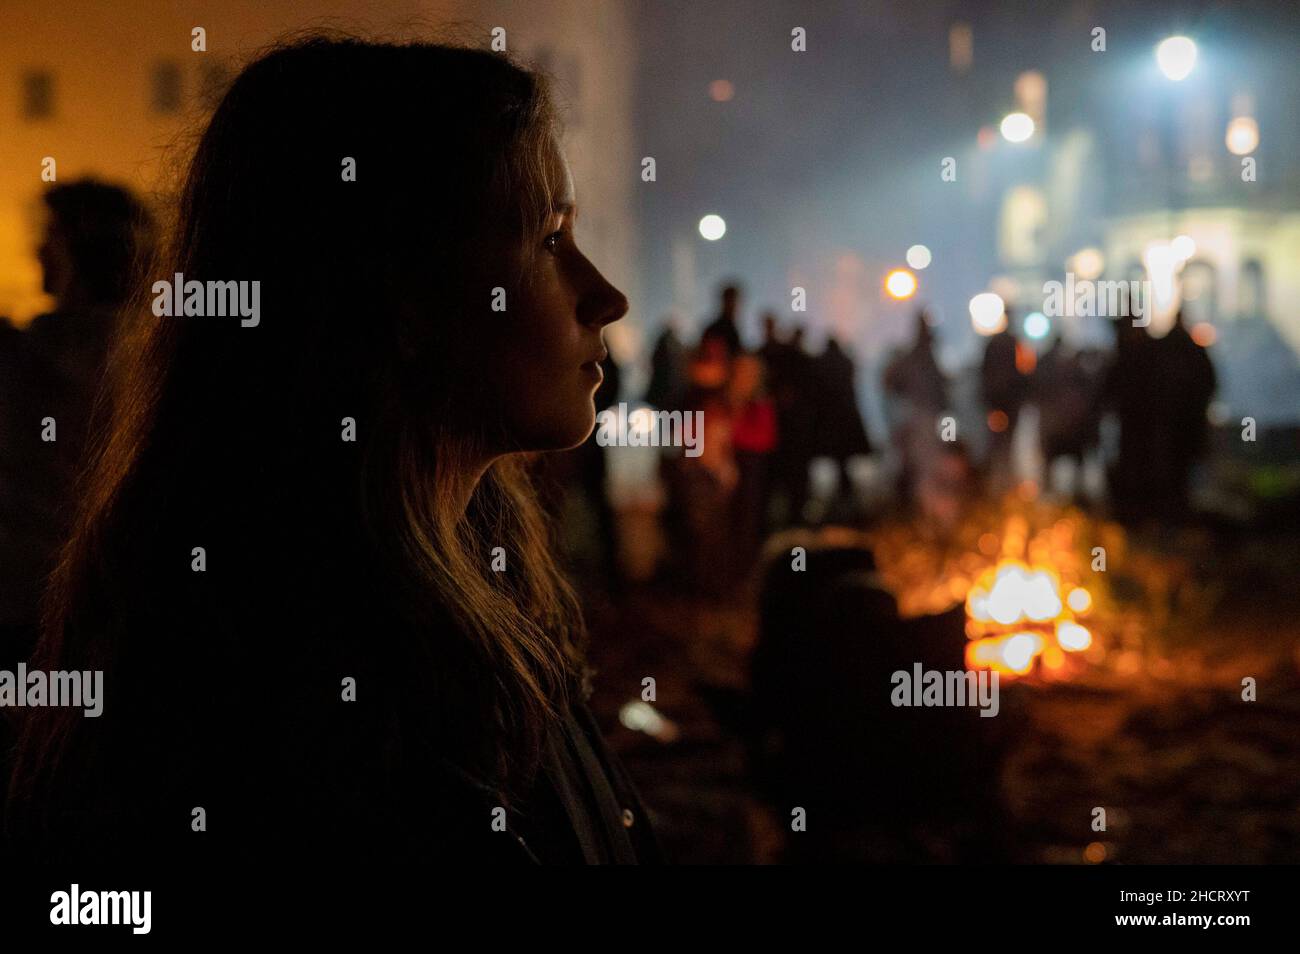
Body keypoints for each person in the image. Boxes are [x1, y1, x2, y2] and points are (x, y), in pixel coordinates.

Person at [3, 36, 664, 871]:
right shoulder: (296, 701)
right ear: (399, 296)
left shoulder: (471, 594)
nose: (606, 295)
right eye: (547, 240)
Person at [0, 180, 154, 672]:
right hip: (111, 607)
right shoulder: (155, 359)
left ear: (75, 248)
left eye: (50, 234)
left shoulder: (30, 359)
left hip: (24, 607)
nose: (37, 248)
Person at [700, 283, 743, 361]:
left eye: (735, 301)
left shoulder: (732, 329)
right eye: (731, 301)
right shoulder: (714, 330)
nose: (734, 305)